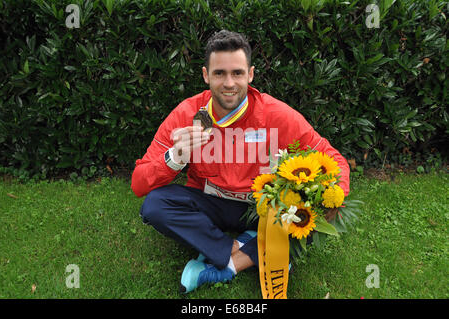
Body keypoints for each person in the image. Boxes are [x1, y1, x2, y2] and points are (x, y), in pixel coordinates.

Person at [131, 30, 350, 294]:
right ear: (205, 75)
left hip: (262, 209)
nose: (229, 83)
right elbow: (139, 183)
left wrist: (338, 194)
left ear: (251, 74)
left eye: (237, 73)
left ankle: (228, 264)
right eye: (219, 73)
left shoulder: (276, 114)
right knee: (155, 206)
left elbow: (333, 158)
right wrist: (175, 158)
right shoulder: (188, 114)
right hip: (211, 204)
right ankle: (249, 250)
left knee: (307, 212)